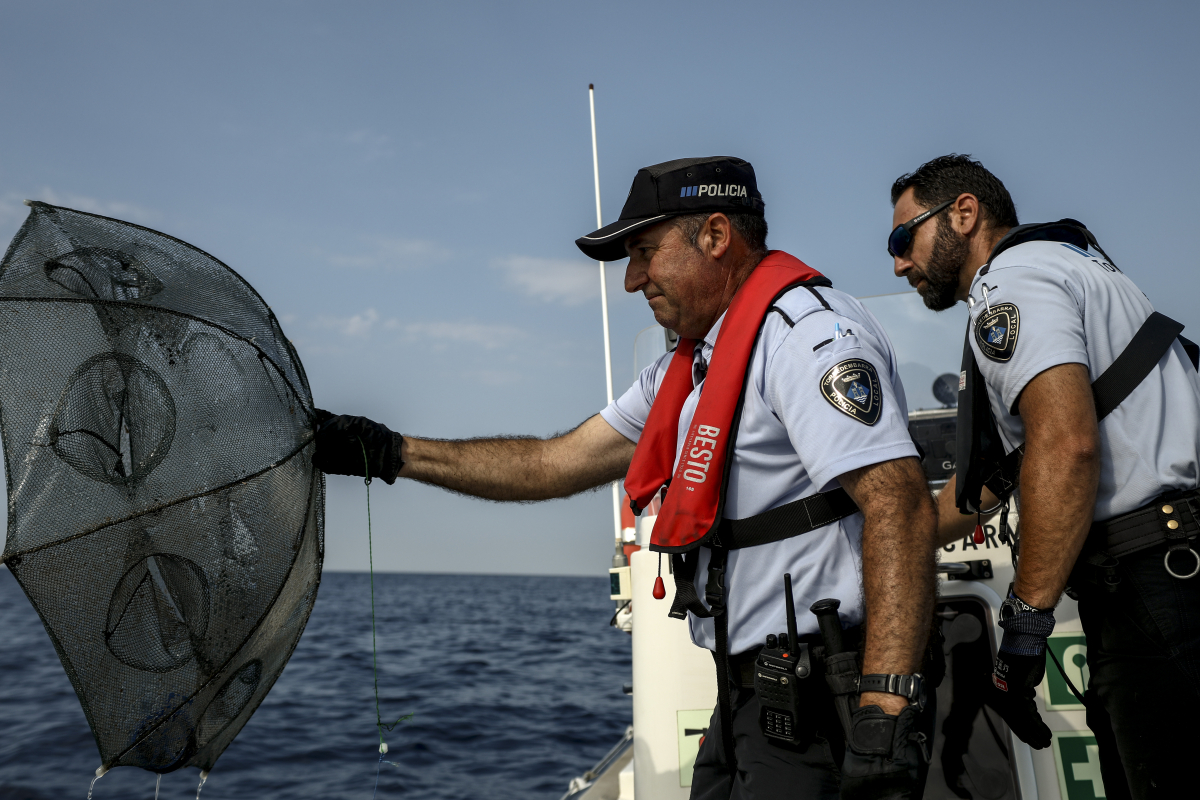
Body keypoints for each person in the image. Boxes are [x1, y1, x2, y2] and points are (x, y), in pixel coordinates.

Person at [316, 156, 938, 799]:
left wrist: (884, 709)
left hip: (827, 702)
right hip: (748, 699)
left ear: (717, 236)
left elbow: (900, 506)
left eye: (644, 252)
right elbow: (553, 464)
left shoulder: (805, 337)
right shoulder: (692, 367)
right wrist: (390, 452)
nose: (632, 280)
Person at [888, 154, 1200, 799]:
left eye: (903, 239)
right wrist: (886, 532)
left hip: (1154, 588)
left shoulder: (1010, 286)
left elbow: (1066, 446)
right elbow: (1004, 474)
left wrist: (1026, 627)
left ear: (964, 214)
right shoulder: (1075, 266)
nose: (898, 264)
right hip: (1171, 575)